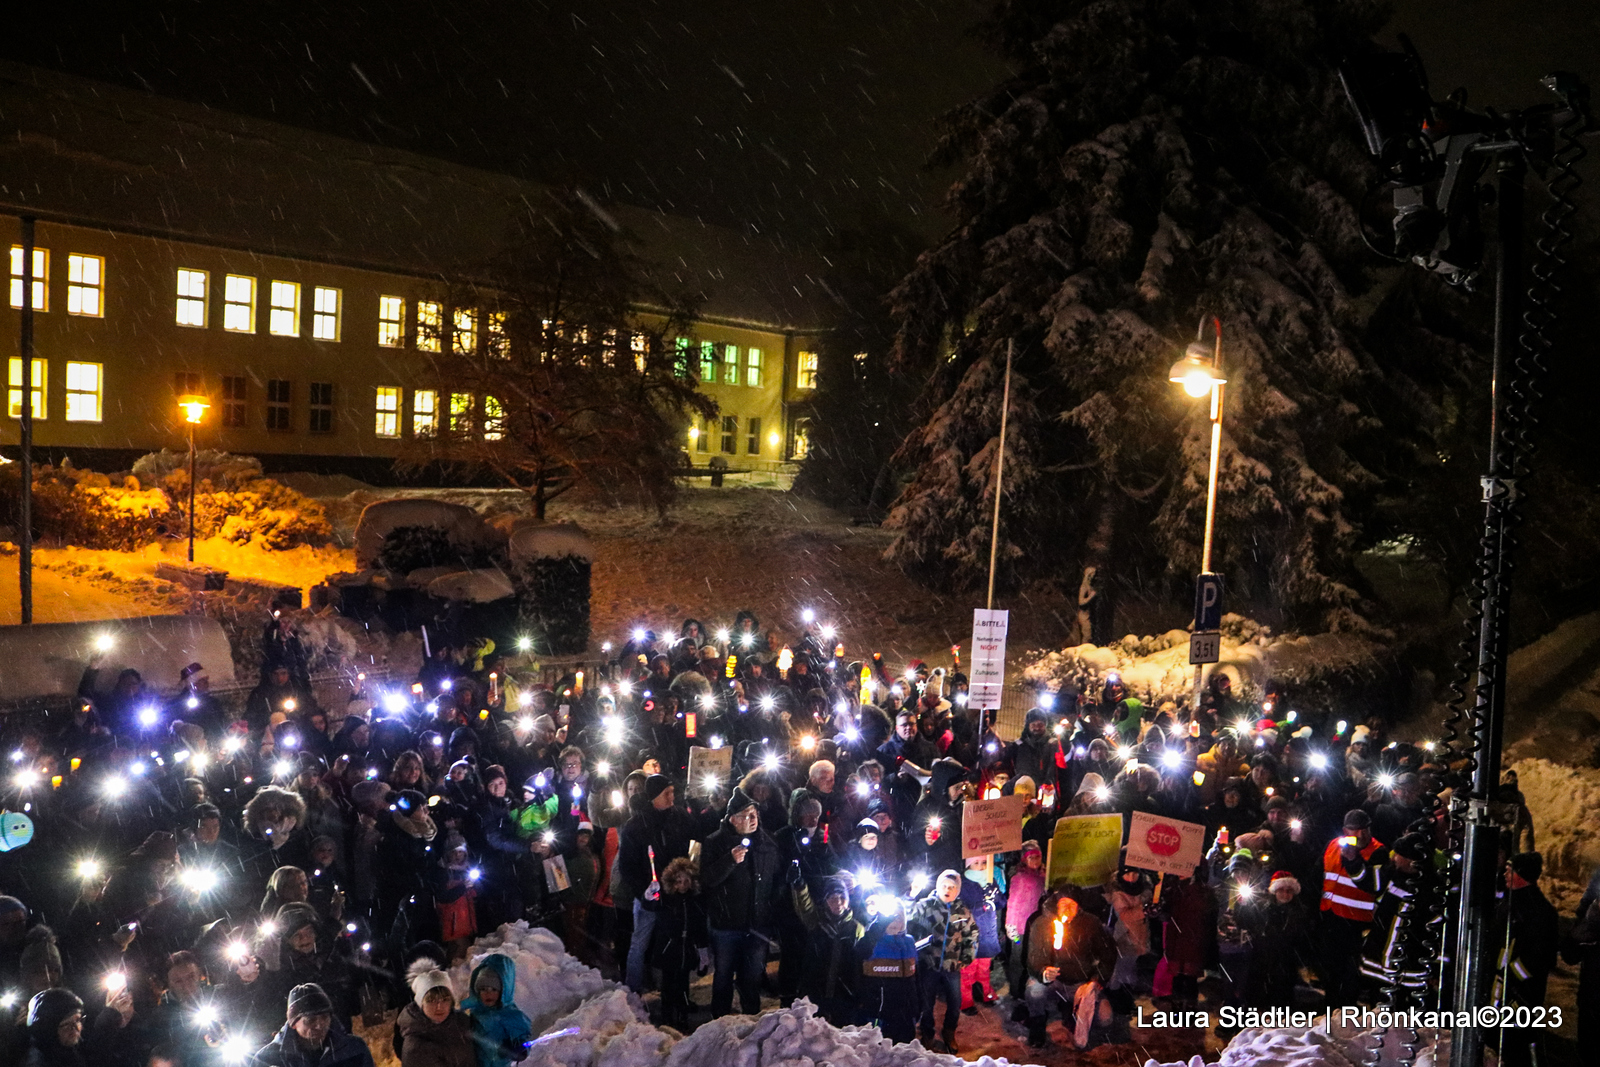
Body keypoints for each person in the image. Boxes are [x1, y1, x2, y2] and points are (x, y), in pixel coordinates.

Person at [699, 787, 782, 1017]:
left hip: (757, 926)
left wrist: (770, 913)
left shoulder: (767, 842)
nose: (753, 819)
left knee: (752, 978)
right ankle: (720, 1021)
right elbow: (707, 879)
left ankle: (751, 1020)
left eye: (755, 814)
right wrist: (730, 860)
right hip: (727, 925)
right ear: (733, 819)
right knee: (724, 977)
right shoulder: (715, 842)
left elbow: (774, 880)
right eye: (747, 815)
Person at [617, 774, 699, 993]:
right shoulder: (636, 825)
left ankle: (676, 994)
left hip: (676, 895)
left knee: (675, 943)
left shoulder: (680, 816)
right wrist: (642, 891)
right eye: (666, 794)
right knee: (640, 942)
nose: (672, 797)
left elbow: (695, 841)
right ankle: (631, 991)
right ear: (654, 796)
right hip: (650, 896)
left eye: (673, 792)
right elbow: (627, 865)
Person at [1022, 890, 1118, 1049]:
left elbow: (1108, 953)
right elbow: (1034, 956)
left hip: (1081, 982)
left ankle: (1072, 1013)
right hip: (1053, 982)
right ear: (1056, 906)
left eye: (1072, 905)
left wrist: (1098, 978)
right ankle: (1037, 1022)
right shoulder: (1042, 924)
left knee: (1105, 1018)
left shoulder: (1090, 923)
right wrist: (1044, 972)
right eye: (1063, 904)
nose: (1067, 909)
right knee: (1034, 990)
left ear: (1078, 907)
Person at [1496, 852, 1559, 1067]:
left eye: (1510, 869)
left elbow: (1540, 957)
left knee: (1516, 1046)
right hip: (1501, 990)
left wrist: (1511, 976)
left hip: (1521, 994)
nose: (1505, 872)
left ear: (1521, 874)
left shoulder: (1540, 912)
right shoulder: (1509, 901)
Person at [1318, 809, 1387, 1005]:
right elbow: (1321, 875)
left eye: (1364, 829)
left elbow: (1373, 885)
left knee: (1351, 973)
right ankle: (1330, 1008)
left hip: (1358, 922)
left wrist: (1353, 860)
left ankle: (1346, 1011)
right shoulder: (1333, 845)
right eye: (1354, 830)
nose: (1360, 835)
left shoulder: (1378, 851)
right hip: (1332, 917)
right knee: (1331, 969)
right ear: (1344, 830)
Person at [906, 870, 976, 1054]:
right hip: (929, 963)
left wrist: (967, 957)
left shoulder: (963, 911)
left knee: (955, 1002)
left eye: (952, 887)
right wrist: (911, 895)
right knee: (927, 1003)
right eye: (944, 886)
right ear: (938, 887)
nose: (947, 890)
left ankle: (949, 1032)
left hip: (952, 966)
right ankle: (927, 1033)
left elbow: (972, 935)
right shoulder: (927, 906)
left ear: (957, 890)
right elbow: (906, 914)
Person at [249, 983, 374, 1067]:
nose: (319, 1025)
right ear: (293, 1023)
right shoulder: (267, 1059)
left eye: (325, 1017)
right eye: (310, 1020)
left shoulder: (354, 1049)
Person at [789, 873, 858, 1026]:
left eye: (842, 898)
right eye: (832, 898)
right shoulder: (817, 922)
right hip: (817, 987)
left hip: (844, 991)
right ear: (826, 901)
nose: (838, 902)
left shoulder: (855, 928)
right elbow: (804, 907)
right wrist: (800, 887)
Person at [648, 857, 708, 1030]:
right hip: (669, 948)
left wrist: (703, 953)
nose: (682, 885)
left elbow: (699, 928)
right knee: (667, 985)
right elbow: (652, 905)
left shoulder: (694, 901)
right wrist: (650, 897)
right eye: (679, 881)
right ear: (672, 882)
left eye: (686, 881)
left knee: (682, 984)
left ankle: (682, 1015)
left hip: (686, 948)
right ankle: (667, 1016)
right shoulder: (665, 900)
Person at [855, 898, 919, 1042]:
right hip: (879, 1013)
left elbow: (916, 977)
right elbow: (859, 952)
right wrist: (878, 927)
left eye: (899, 917)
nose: (895, 921)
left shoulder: (909, 941)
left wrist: (917, 1007)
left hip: (905, 1013)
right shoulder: (872, 941)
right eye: (891, 918)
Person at [393, 964, 474, 1067]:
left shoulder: (462, 1024)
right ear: (421, 1003)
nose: (439, 1006)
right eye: (431, 1001)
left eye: (445, 999)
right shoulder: (416, 1047)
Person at [459, 953, 532, 1067]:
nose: (488, 993)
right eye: (483, 989)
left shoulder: (512, 1015)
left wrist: (520, 1051)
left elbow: (523, 1038)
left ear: (504, 990)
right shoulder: (476, 1012)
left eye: (494, 989)